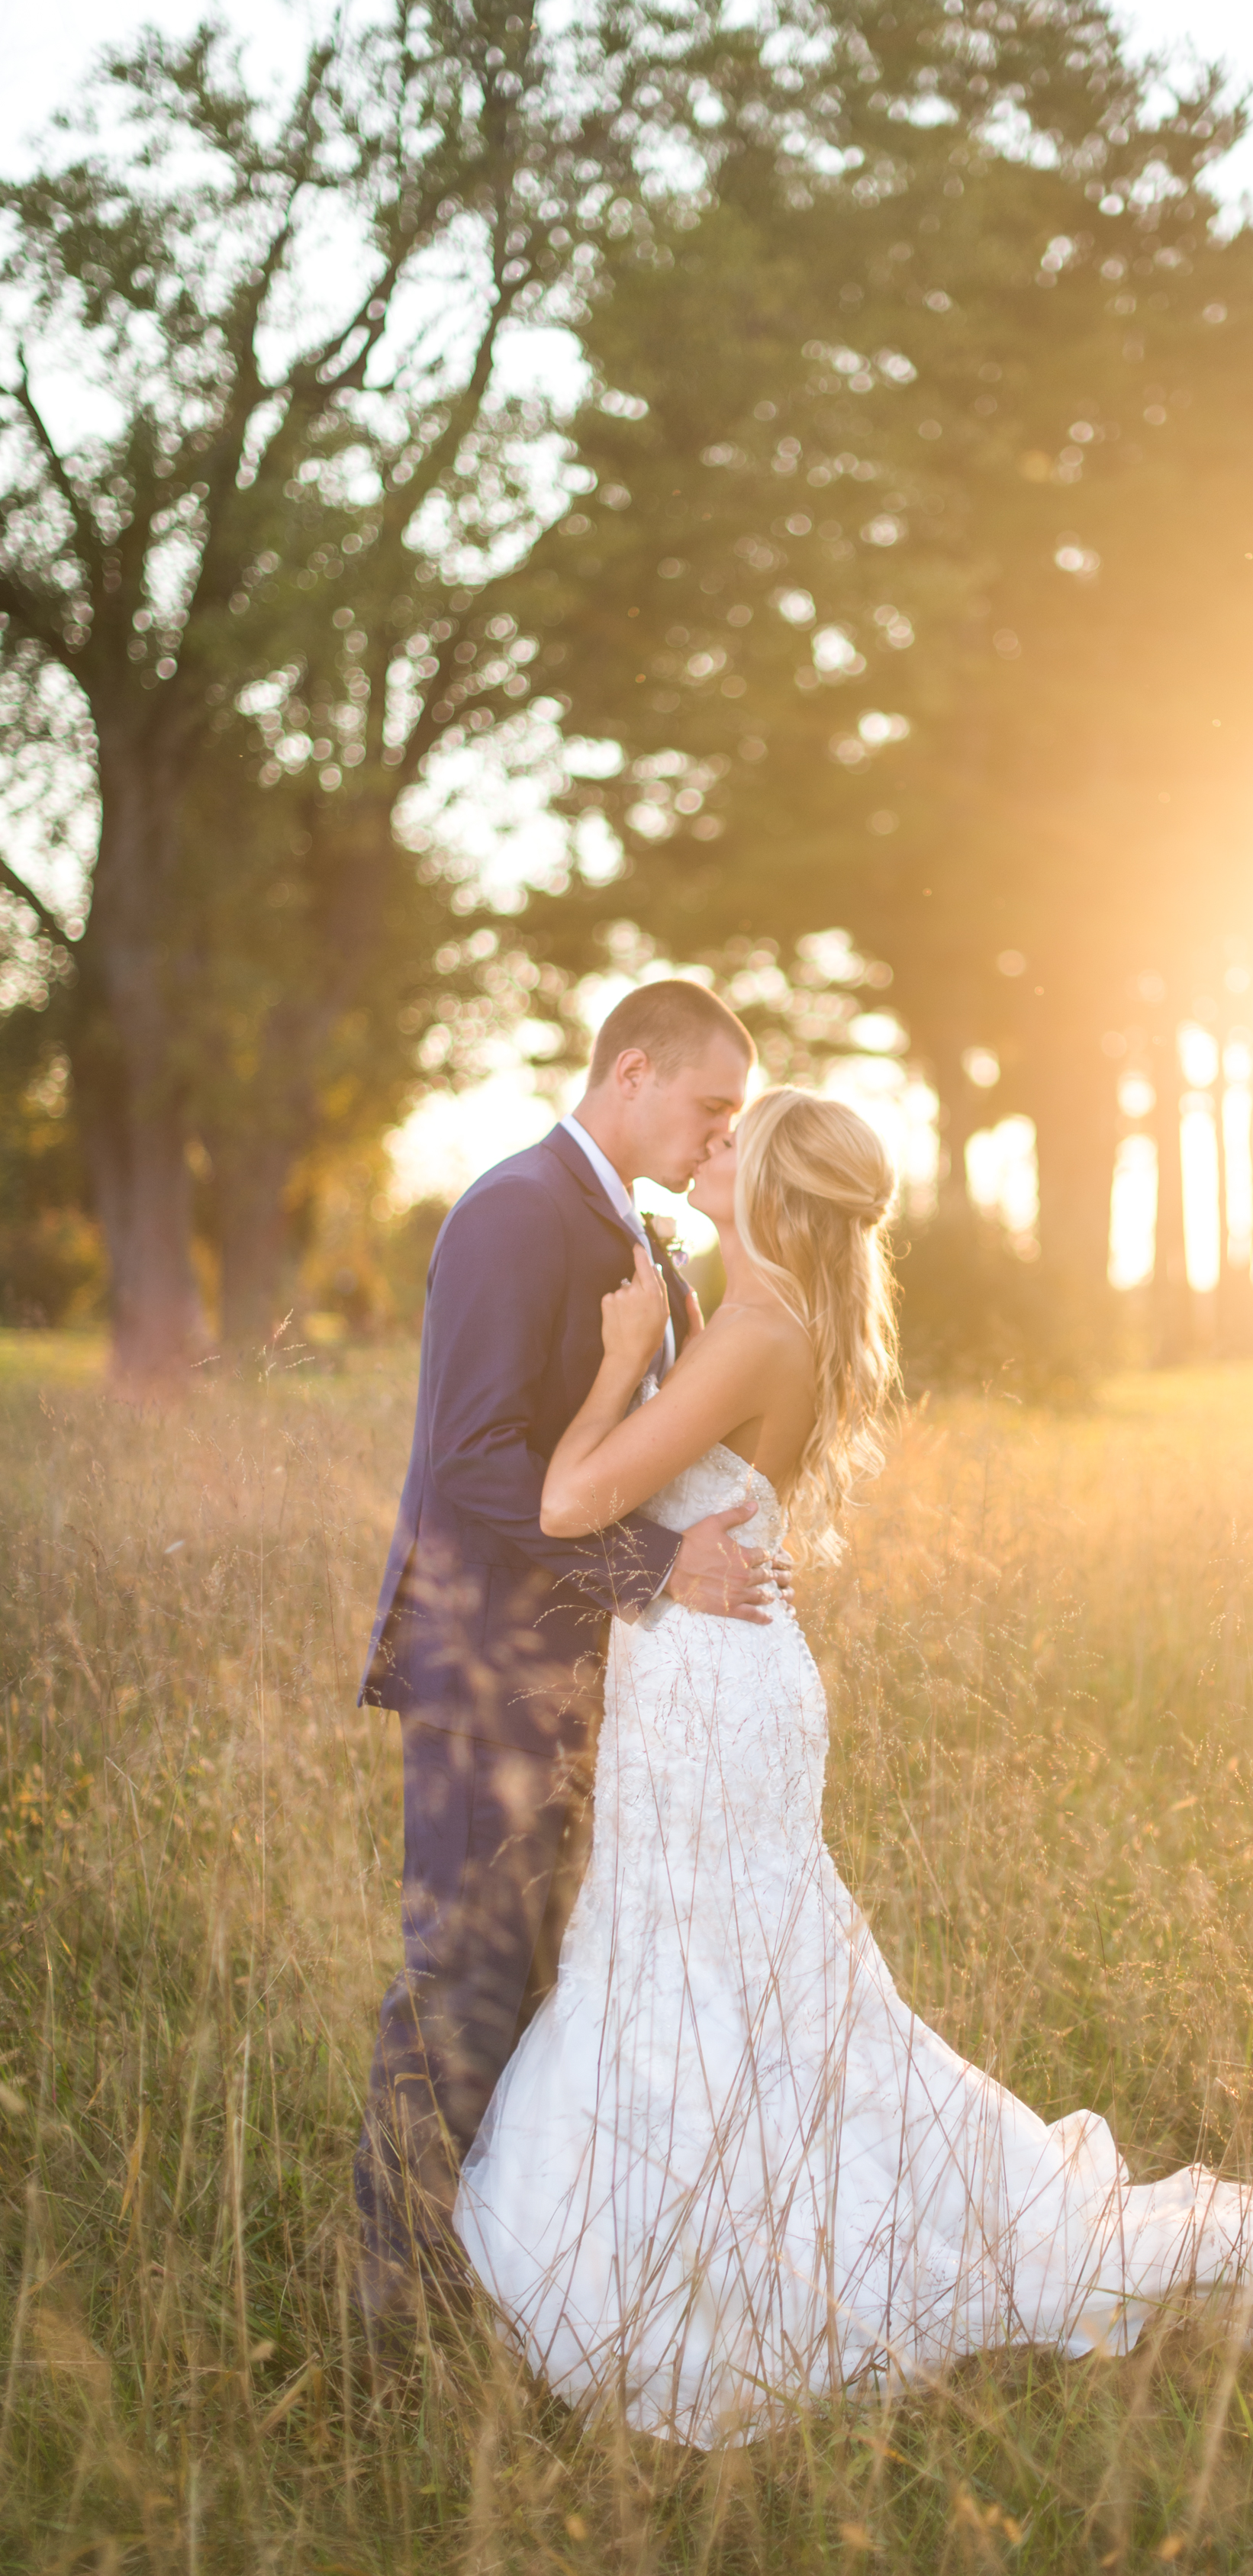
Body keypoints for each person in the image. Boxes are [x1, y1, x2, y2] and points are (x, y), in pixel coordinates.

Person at [456, 1086, 1253, 2445]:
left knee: (712, 1965)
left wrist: (618, 1361)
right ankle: (726, 2197)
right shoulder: (766, 1318)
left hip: (715, 1687)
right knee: (734, 1968)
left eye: (733, 1138)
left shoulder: (750, 1327)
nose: (709, 1148)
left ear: (769, 1185)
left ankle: (730, 2241)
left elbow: (568, 1500)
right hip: (717, 1673)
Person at [354, 978, 786, 2348]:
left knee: (526, 1980)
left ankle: (470, 2286)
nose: (724, 1135)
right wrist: (657, 1577)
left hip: (575, 1677)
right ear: (635, 1071)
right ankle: (383, 2316)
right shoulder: (515, 1211)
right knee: (464, 1981)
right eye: (713, 1104)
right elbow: (478, 1463)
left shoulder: (622, 1225)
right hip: (487, 1672)